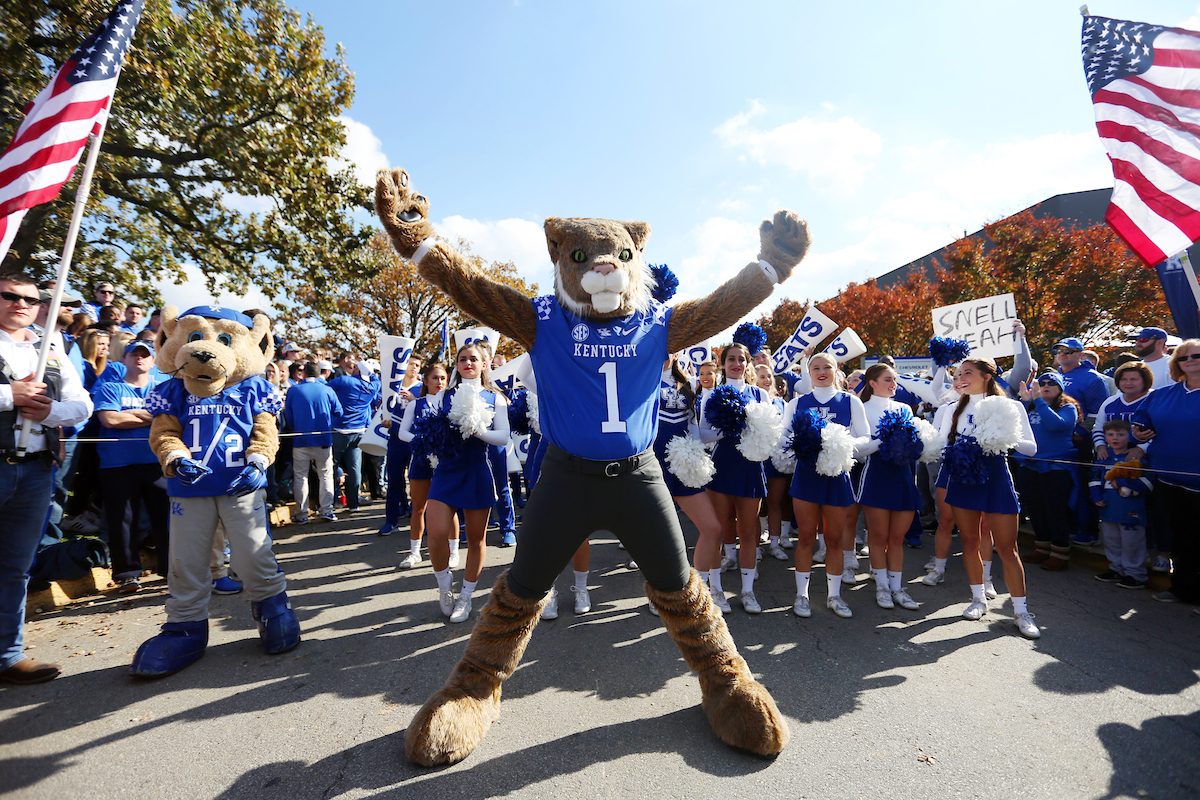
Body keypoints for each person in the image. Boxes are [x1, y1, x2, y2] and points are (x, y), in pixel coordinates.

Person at [0, 271, 92, 684]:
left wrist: (48, 412)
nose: (21, 304)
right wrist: (10, 396)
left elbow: (82, 405)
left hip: (37, 470)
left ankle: (7, 656)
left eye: (29, 299)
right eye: (9, 296)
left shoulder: (50, 345)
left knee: (15, 569)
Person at [937, 357, 1040, 638]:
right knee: (970, 541)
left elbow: (1031, 448)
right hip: (964, 477)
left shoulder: (1011, 406)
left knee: (1008, 548)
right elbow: (940, 443)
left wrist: (1003, 436)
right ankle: (978, 598)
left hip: (996, 476)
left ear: (987, 376)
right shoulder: (953, 409)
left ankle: (1021, 612)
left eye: (967, 373)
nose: (960, 378)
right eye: (958, 374)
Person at [423, 344, 510, 623]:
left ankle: (466, 596)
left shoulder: (495, 398)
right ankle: (445, 586)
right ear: (456, 365)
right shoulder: (443, 396)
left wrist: (479, 430)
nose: (468, 363)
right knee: (435, 534)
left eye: (474, 359)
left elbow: (503, 437)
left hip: (475, 470)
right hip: (446, 471)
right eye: (462, 359)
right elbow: (431, 429)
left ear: (485, 364)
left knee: (476, 539)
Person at [786, 351, 870, 619]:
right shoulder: (796, 403)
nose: (822, 372)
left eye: (827, 367)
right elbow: (784, 437)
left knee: (834, 539)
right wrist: (800, 445)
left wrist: (842, 444)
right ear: (809, 373)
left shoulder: (851, 401)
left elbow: (866, 437)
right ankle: (802, 596)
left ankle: (834, 596)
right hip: (807, 476)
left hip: (837, 476)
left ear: (837, 371)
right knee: (806, 538)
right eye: (816, 368)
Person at [92, 340, 170, 593]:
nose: (139, 358)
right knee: (121, 520)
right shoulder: (110, 387)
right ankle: (127, 574)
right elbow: (110, 419)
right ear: (123, 360)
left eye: (144, 355)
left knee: (166, 519)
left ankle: (171, 568)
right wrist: (151, 417)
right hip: (117, 463)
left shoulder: (163, 388)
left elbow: (171, 419)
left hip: (156, 461)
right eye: (133, 354)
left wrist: (133, 417)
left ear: (153, 362)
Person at [702, 342, 773, 614]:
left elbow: (771, 432)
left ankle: (747, 591)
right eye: (730, 359)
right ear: (723, 364)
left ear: (748, 364)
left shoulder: (760, 394)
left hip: (750, 467)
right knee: (718, 530)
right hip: (721, 464)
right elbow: (703, 434)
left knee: (748, 531)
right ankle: (716, 590)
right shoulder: (712, 395)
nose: (736, 364)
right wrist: (730, 427)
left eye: (741, 359)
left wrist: (751, 428)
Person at [653, 355, 726, 611]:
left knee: (713, 528)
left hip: (683, 461)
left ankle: (700, 590)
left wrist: (729, 427)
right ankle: (661, 593)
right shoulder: (641, 379)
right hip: (651, 464)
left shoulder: (687, 385)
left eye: (670, 347)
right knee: (659, 534)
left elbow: (695, 433)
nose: (664, 352)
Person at [1130, 339, 1200, 605]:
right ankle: (1182, 588)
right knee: (1182, 537)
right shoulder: (1162, 394)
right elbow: (1140, 425)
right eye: (1183, 358)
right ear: (1177, 364)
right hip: (1169, 480)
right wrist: (1139, 432)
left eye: (1196, 355)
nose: (1190, 361)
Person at [855, 364, 922, 611]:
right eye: (888, 379)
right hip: (876, 475)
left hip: (903, 476)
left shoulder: (904, 408)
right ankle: (882, 587)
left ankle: (897, 588)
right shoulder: (860, 408)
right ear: (872, 382)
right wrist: (885, 439)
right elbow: (858, 450)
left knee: (896, 539)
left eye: (895, 380)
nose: (894, 384)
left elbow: (914, 443)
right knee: (878, 537)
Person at [1015, 373, 1081, 570]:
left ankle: (1060, 553)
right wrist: (1026, 403)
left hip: (1057, 466)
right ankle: (1042, 548)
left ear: (1060, 388)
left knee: (1055, 509)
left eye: (1051, 383)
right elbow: (1015, 425)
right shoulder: (1032, 406)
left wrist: (1038, 401)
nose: (1045, 386)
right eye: (1041, 383)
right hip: (1029, 464)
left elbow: (1057, 425)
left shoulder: (1067, 407)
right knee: (1035, 508)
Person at [395, 362, 458, 567]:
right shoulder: (417, 403)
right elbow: (402, 432)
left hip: (447, 460)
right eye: (435, 378)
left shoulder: (453, 402)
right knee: (419, 508)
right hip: (421, 460)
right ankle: (414, 552)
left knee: (450, 507)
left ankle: (454, 551)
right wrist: (422, 440)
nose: (439, 382)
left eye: (442, 378)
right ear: (425, 380)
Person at [1091, 420, 1152, 589]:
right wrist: (1096, 496)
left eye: (1120, 434)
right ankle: (1117, 569)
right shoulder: (1103, 458)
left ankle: (1135, 575)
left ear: (1129, 436)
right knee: (1111, 541)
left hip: (1131, 511)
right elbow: (1094, 480)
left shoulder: (1136, 459)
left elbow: (1148, 483)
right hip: (1108, 509)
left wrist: (1122, 482)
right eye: (1110, 435)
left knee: (1132, 543)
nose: (1115, 438)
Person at [284, 361, 342, 523]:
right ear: (319, 374)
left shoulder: (294, 390)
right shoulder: (327, 390)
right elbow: (339, 411)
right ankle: (327, 510)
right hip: (323, 438)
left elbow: (288, 415)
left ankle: (302, 513)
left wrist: (296, 428)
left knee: (301, 477)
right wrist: (328, 423)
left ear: (304, 373)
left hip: (300, 438)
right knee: (325, 475)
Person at [327, 353, 381, 514]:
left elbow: (325, 388)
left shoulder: (344, 381)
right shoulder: (372, 387)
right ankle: (353, 503)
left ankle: (335, 500)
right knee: (354, 469)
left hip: (339, 429)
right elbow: (375, 379)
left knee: (332, 466)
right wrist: (365, 368)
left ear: (357, 370)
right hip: (359, 431)